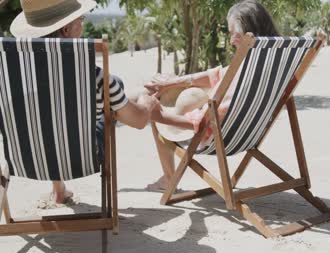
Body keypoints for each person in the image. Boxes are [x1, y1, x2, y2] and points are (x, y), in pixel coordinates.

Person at [9, 0, 195, 203]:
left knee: (51, 119)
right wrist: (148, 102)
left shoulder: (14, 79)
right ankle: (192, 126)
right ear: (65, 29)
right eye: (81, 19)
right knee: (123, 98)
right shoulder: (94, 77)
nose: (82, 23)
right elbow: (139, 121)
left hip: (30, 158)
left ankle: (58, 189)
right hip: (84, 155)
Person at [144, 0, 280, 191]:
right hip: (247, 134)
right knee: (172, 92)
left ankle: (169, 179)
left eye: (236, 35)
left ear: (251, 34)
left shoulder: (245, 71)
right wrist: (173, 82)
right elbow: (215, 76)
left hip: (217, 137)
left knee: (155, 109)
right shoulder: (270, 62)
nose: (232, 41)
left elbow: (202, 125)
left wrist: (158, 116)